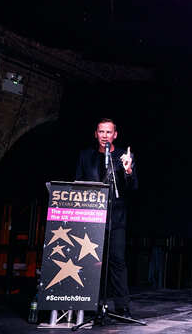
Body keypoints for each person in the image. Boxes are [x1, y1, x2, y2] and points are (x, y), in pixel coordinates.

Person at [75, 118, 137, 317]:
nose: (104, 136)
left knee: (117, 261)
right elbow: (78, 184)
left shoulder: (124, 156)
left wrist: (128, 170)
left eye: (108, 132)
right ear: (96, 134)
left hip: (116, 217)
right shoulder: (86, 155)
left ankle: (122, 306)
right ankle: (85, 303)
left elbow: (133, 187)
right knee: (88, 260)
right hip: (91, 217)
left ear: (115, 135)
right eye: (101, 132)